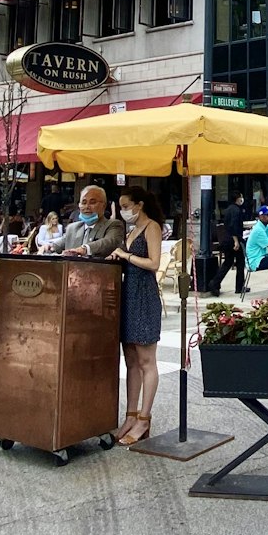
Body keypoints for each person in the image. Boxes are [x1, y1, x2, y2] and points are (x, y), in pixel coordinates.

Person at [108, 186, 164, 446]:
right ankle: (131, 415)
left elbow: (154, 263)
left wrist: (126, 255)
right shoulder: (131, 231)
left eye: (126, 205)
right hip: (129, 295)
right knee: (130, 358)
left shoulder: (151, 227)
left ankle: (144, 417)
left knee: (145, 359)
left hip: (144, 295)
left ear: (139, 205)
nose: (123, 210)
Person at [50, 185, 124, 258]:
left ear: (104, 206)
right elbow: (57, 245)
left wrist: (85, 249)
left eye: (92, 202)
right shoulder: (72, 228)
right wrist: (48, 247)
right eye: (84, 203)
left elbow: (109, 242)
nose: (87, 207)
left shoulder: (114, 225)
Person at [207, 193, 246, 296]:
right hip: (234, 240)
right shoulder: (236, 210)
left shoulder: (228, 209)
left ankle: (215, 283)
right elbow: (233, 226)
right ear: (238, 198)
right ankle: (239, 286)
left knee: (227, 263)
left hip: (227, 239)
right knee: (240, 263)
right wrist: (236, 241)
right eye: (240, 197)